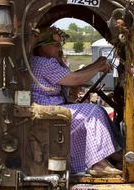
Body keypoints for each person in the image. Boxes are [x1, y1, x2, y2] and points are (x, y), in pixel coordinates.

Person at [31, 26, 121, 177]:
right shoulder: (44, 63)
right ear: (43, 47)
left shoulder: (42, 62)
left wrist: (96, 65)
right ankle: (98, 164)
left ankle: (114, 154)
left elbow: (71, 76)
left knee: (98, 111)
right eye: (55, 45)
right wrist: (98, 66)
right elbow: (74, 80)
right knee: (95, 111)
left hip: (54, 111)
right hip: (50, 115)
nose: (59, 49)